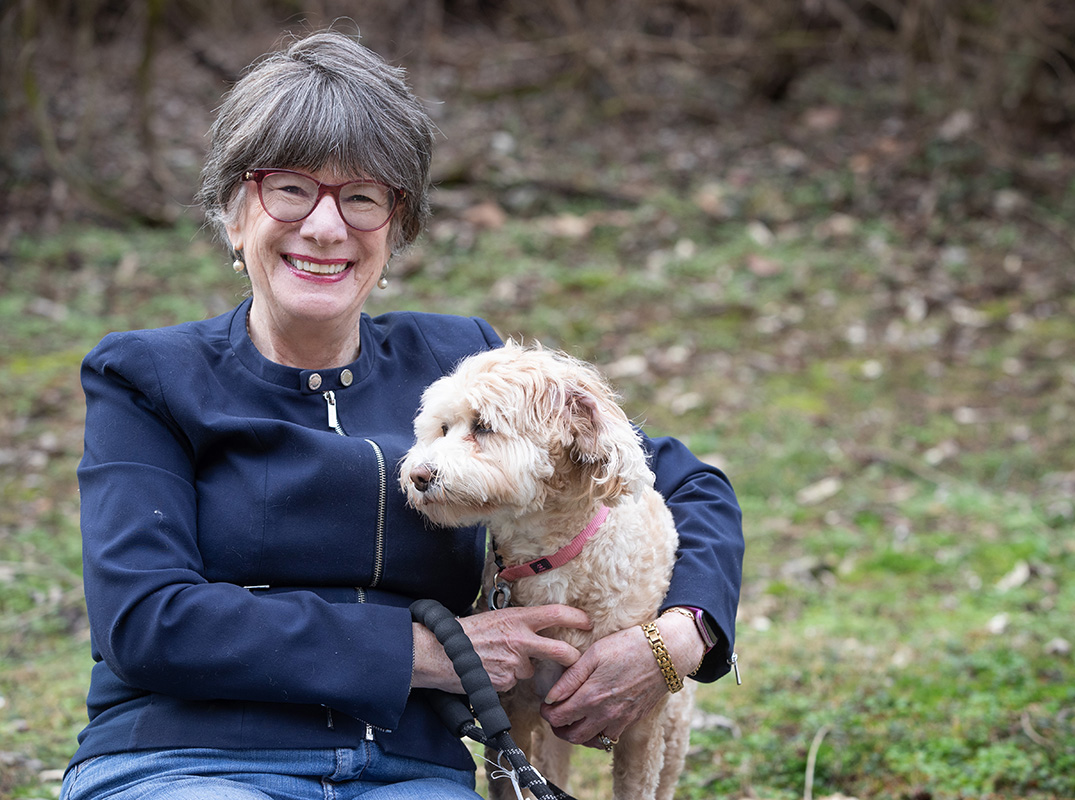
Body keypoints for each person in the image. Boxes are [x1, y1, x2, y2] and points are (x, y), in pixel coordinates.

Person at [60, 30, 743, 800]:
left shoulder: (461, 365)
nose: (326, 226)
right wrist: (419, 653)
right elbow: (147, 619)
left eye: (361, 197)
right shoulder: (148, 377)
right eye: (290, 187)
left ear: (397, 225)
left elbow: (678, 480)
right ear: (233, 210)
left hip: (408, 773)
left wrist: (679, 636)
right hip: (188, 761)